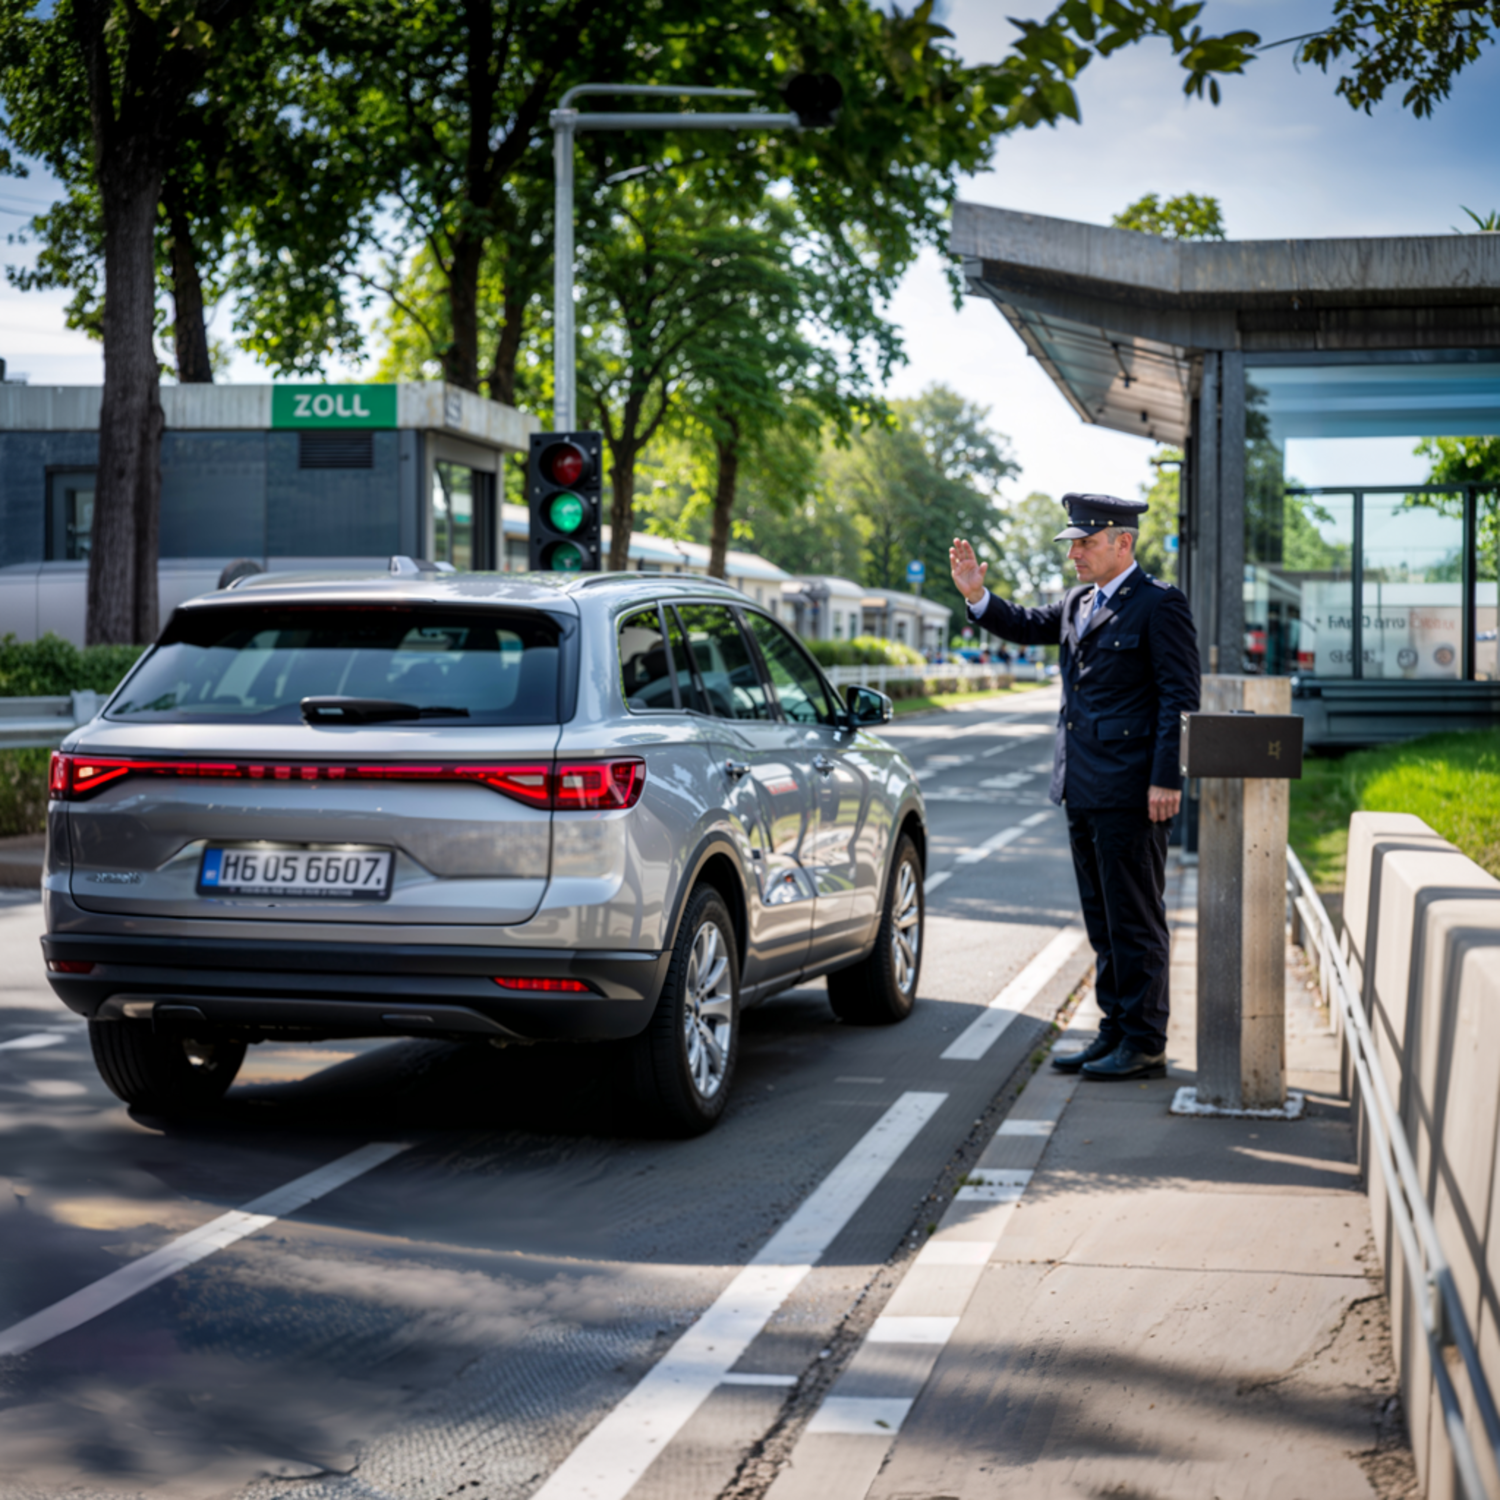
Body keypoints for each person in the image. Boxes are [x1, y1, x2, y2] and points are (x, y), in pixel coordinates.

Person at [948, 494, 1200, 1081]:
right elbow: (1021, 623)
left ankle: (1144, 1042)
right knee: (1102, 920)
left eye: (1086, 542)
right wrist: (974, 594)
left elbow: (1180, 699)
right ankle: (1113, 1030)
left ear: (1123, 543)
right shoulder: (1078, 602)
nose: (1075, 553)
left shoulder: (1160, 606)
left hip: (1134, 790)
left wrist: (1167, 777)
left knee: (1135, 919)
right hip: (1082, 784)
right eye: (1073, 544)